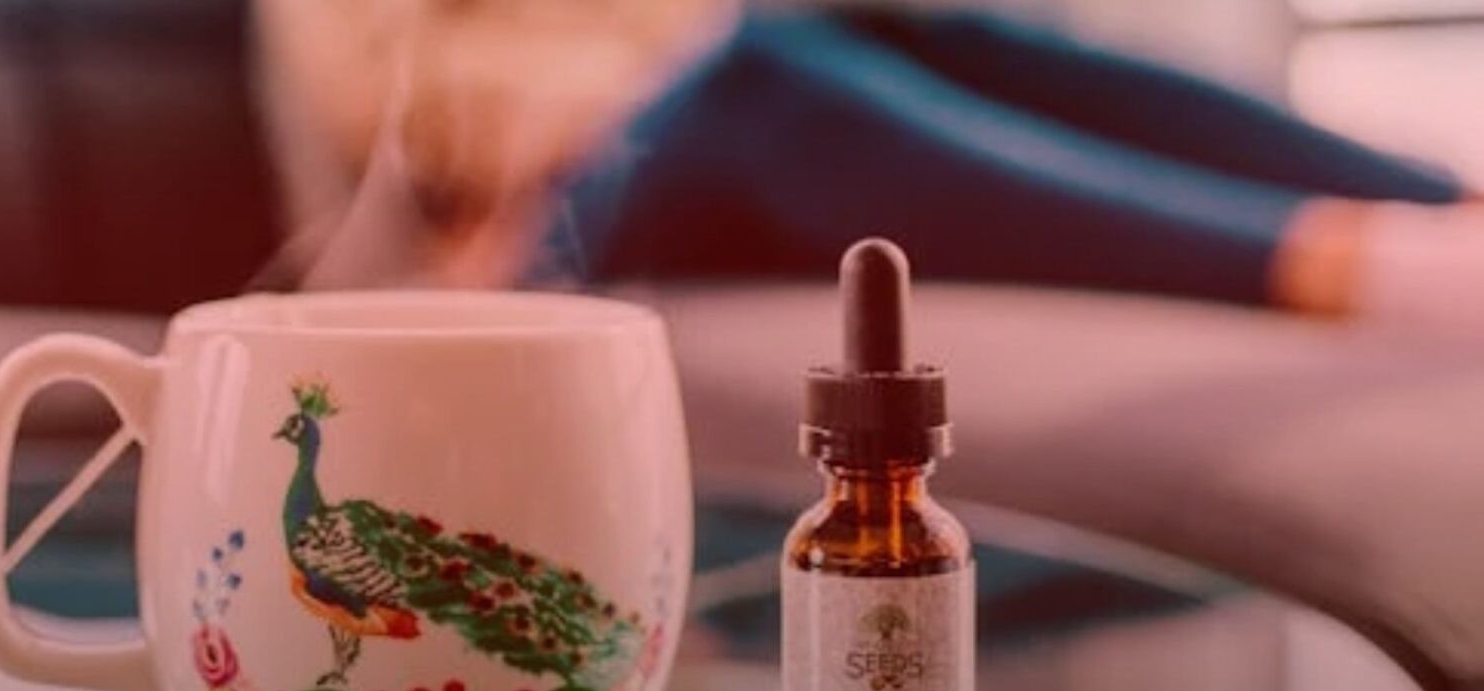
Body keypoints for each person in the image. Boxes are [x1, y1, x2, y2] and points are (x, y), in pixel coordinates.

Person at [271, 1, 1483, 329]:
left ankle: (1442, 206)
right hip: (535, 227)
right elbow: (403, 114)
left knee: (918, 34)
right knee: (761, 76)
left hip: (698, 122)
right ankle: (1355, 269)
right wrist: (636, 74)